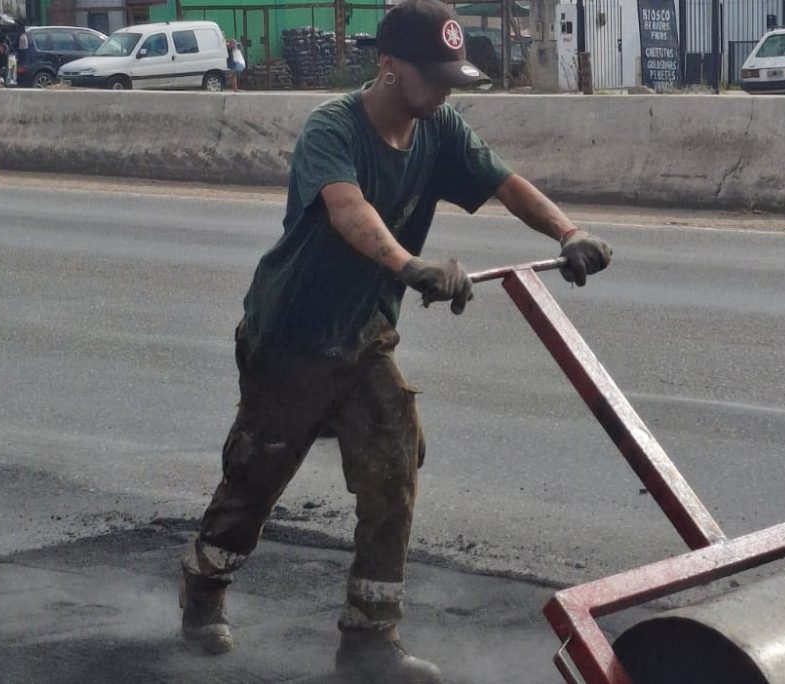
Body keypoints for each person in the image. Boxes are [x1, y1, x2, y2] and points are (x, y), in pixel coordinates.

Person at [177, 0, 612, 681]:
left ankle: (369, 640)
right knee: (255, 483)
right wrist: (411, 267)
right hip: (290, 337)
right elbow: (350, 211)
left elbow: (505, 182)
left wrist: (567, 232)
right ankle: (203, 591)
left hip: (364, 339)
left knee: (393, 468)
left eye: (451, 80)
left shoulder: (441, 129)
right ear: (387, 65)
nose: (443, 92)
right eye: (432, 77)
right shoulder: (334, 128)